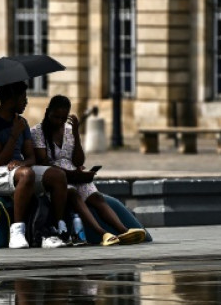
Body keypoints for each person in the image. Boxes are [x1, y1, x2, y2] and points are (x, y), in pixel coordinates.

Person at [30, 95, 146, 246]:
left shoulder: (69, 130)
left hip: (74, 174)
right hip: (55, 180)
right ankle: (103, 234)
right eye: (55, 117)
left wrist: (76, 133)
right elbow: (44, 164)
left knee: (96, 197)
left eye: (63, 118)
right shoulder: (37, 132)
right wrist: (76, 176)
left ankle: (123, 231)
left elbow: (79, 161)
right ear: (47, 112)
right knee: (74, 194)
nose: (59, 122)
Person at [0, 81, 68, 249]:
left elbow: (31, 157)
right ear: (11, 100)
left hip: (18, 169)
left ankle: (56, 228)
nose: (26, 102)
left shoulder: (22, 122)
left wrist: (22, 163)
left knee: (57, 175)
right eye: (23, 98)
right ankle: (17, 231)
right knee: (26, 174)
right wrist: (14, 134)